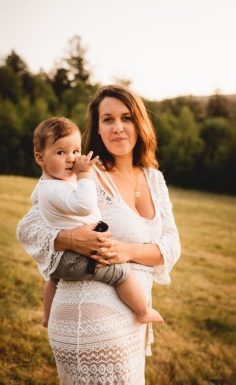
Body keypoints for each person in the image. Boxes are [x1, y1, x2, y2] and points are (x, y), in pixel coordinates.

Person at [17, 84, 181, 385]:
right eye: (108, 119)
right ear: (98, 127)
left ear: (140, 123)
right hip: (90, 319)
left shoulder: (154, 179)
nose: (118, 128)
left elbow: (171, 244)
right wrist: (69, 239)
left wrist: (127, 251)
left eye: (126, 117)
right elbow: (28, 228)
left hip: (131, 322)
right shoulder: (84, 173)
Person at [31, 116, 164, 327]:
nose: (71, 159)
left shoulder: (47, 184)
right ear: (40, 158)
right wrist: (84, 175)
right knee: (121, 274)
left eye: (75, 151)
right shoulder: (65, 183)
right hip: (74, 257)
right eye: (60, 152)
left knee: (52, 279)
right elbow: (83, 204)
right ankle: (142, 311)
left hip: (61, 260)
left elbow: (36, 200)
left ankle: (47, 317)